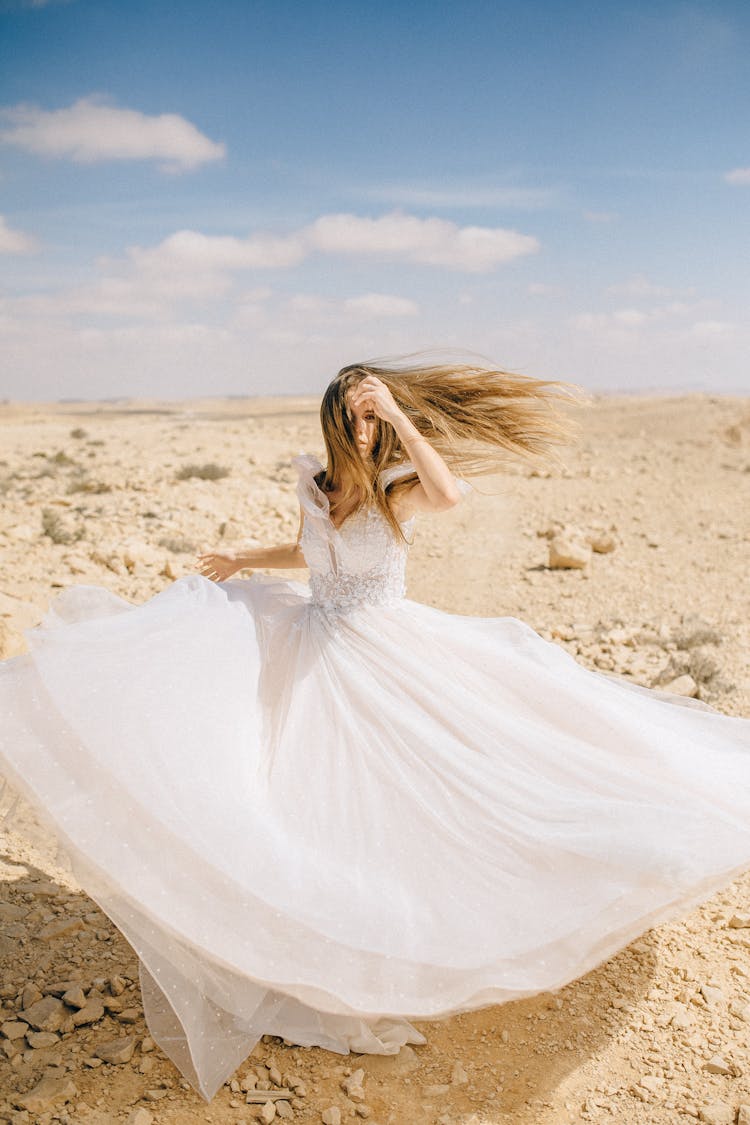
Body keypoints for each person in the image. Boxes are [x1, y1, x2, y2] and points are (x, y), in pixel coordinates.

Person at [1, 357, 749, 1106]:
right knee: (302, 799)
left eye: (372, 414)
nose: (363, 426)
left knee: (445, 784)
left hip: (388, 649)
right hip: (313, 641)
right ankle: (310, 945)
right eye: (355, 414)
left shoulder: (399, 486)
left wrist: (396, 414)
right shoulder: (314, 481)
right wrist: (243, 556)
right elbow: (308, 553)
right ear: (333, 420)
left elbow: (450, 492)